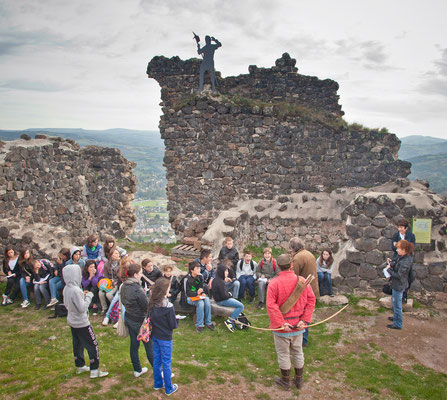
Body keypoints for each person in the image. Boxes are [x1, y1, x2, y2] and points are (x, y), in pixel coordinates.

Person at [266, 254, 316, 391]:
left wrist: (281, 323)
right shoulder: (301, 281)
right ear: (291, 265)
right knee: (298, 352)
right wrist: (304, 320)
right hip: (298, 326)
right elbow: (312, 300)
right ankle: (298, 381)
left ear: (278, 266)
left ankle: (285, 381)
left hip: (283, 328)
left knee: (283, 354)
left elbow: (271, 305)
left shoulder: (274, 283)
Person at [63, 264, 108, 379]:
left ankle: (80, 365)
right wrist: (89, 296)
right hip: (81, 322)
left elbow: (69, 304)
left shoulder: (66, 288)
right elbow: (82, 308)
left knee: (77, 344)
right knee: (93, 345)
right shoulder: (76, 290)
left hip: (72, 321)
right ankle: (94, 369)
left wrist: (81, 297)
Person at [120, 263, 154, 377]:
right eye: (140, 273)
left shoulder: (124, 285)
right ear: (135, 275)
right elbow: (147, 307)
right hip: (140, 321)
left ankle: (137, 369)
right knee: (149, 346)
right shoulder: (137, 290)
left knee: (134, 345)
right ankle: (159, 371)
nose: (141, 275)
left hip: (129, 318)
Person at [149, 277, 179, 395]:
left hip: (155, 335)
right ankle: (169, 388)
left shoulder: (151, 303)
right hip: (165, 337)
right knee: (166, 362)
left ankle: (158, 383)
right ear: (164, 290)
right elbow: (172, 325)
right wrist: (177, 320)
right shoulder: (169, 306)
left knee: (157, 359)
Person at [289, 237, 319, 346]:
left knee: (302, 315)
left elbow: (293, 276)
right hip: (311, 287)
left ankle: (303, 340)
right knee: (306, 313)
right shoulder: (308, 254)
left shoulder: (298, 258)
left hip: (304, 289)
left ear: (293, 248)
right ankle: (302, 339)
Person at [385, 240, 414, 330]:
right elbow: (397, 264)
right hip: (396, 284)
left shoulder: (406, 262)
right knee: (395, 303)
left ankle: (398, 324)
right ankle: (396, 318)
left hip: (399, 285)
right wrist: (391, 263)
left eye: (398, 248)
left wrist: (388, 270)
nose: (396, 250)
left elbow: (398, 275)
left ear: (404, 250)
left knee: (397, 305)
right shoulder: (402, 257)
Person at [213, 263, 244, 333]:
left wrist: (229, 295)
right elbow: (223, 295)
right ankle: (230, 321)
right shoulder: (220, 282)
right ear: (221, 272)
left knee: (237, 303)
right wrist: (230, 296)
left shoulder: (218, 279)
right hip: (221, 301)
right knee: (241, 306)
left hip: (220, 299)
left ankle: (236, 320)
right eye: (226, 271)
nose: (227, 273)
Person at [185, 261, 214, 333]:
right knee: (200, 303)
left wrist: (203, 292)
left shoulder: (200, 276)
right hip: (189, 297)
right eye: (197, 268)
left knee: (207, 300)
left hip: (198, 296)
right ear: (192, 270)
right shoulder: (186, 279)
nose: (199, 270)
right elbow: (187, 292)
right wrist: (196, 294)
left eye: (199, 268)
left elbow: (201, 287)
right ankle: (199, 325)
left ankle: (208, 322)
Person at [391, 218, 416, 304]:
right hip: (397, 257)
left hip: (407, 258)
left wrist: (400, 246)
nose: (399, 229)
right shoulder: (395, 235)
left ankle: (404, 296)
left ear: (406, 228)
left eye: (401, 227)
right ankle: (396, 295)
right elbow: (393, 247)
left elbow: (411, 247)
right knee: (396, 276)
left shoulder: (411, 236)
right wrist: (398, 247)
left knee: (405, 278)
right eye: (399, 227)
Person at [98, 248, 120, 314]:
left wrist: (116, 281)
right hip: (109, 282)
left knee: (109, 294)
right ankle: (104, 308)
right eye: (115, 253)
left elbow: (121, 276)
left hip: (116, 283)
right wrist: (109, 281)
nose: (117, 255)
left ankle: (114, 308)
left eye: (118, 253)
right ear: (111, 255)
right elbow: (106, 276)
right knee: (101, 292)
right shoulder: (106, 264)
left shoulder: (120, 264)